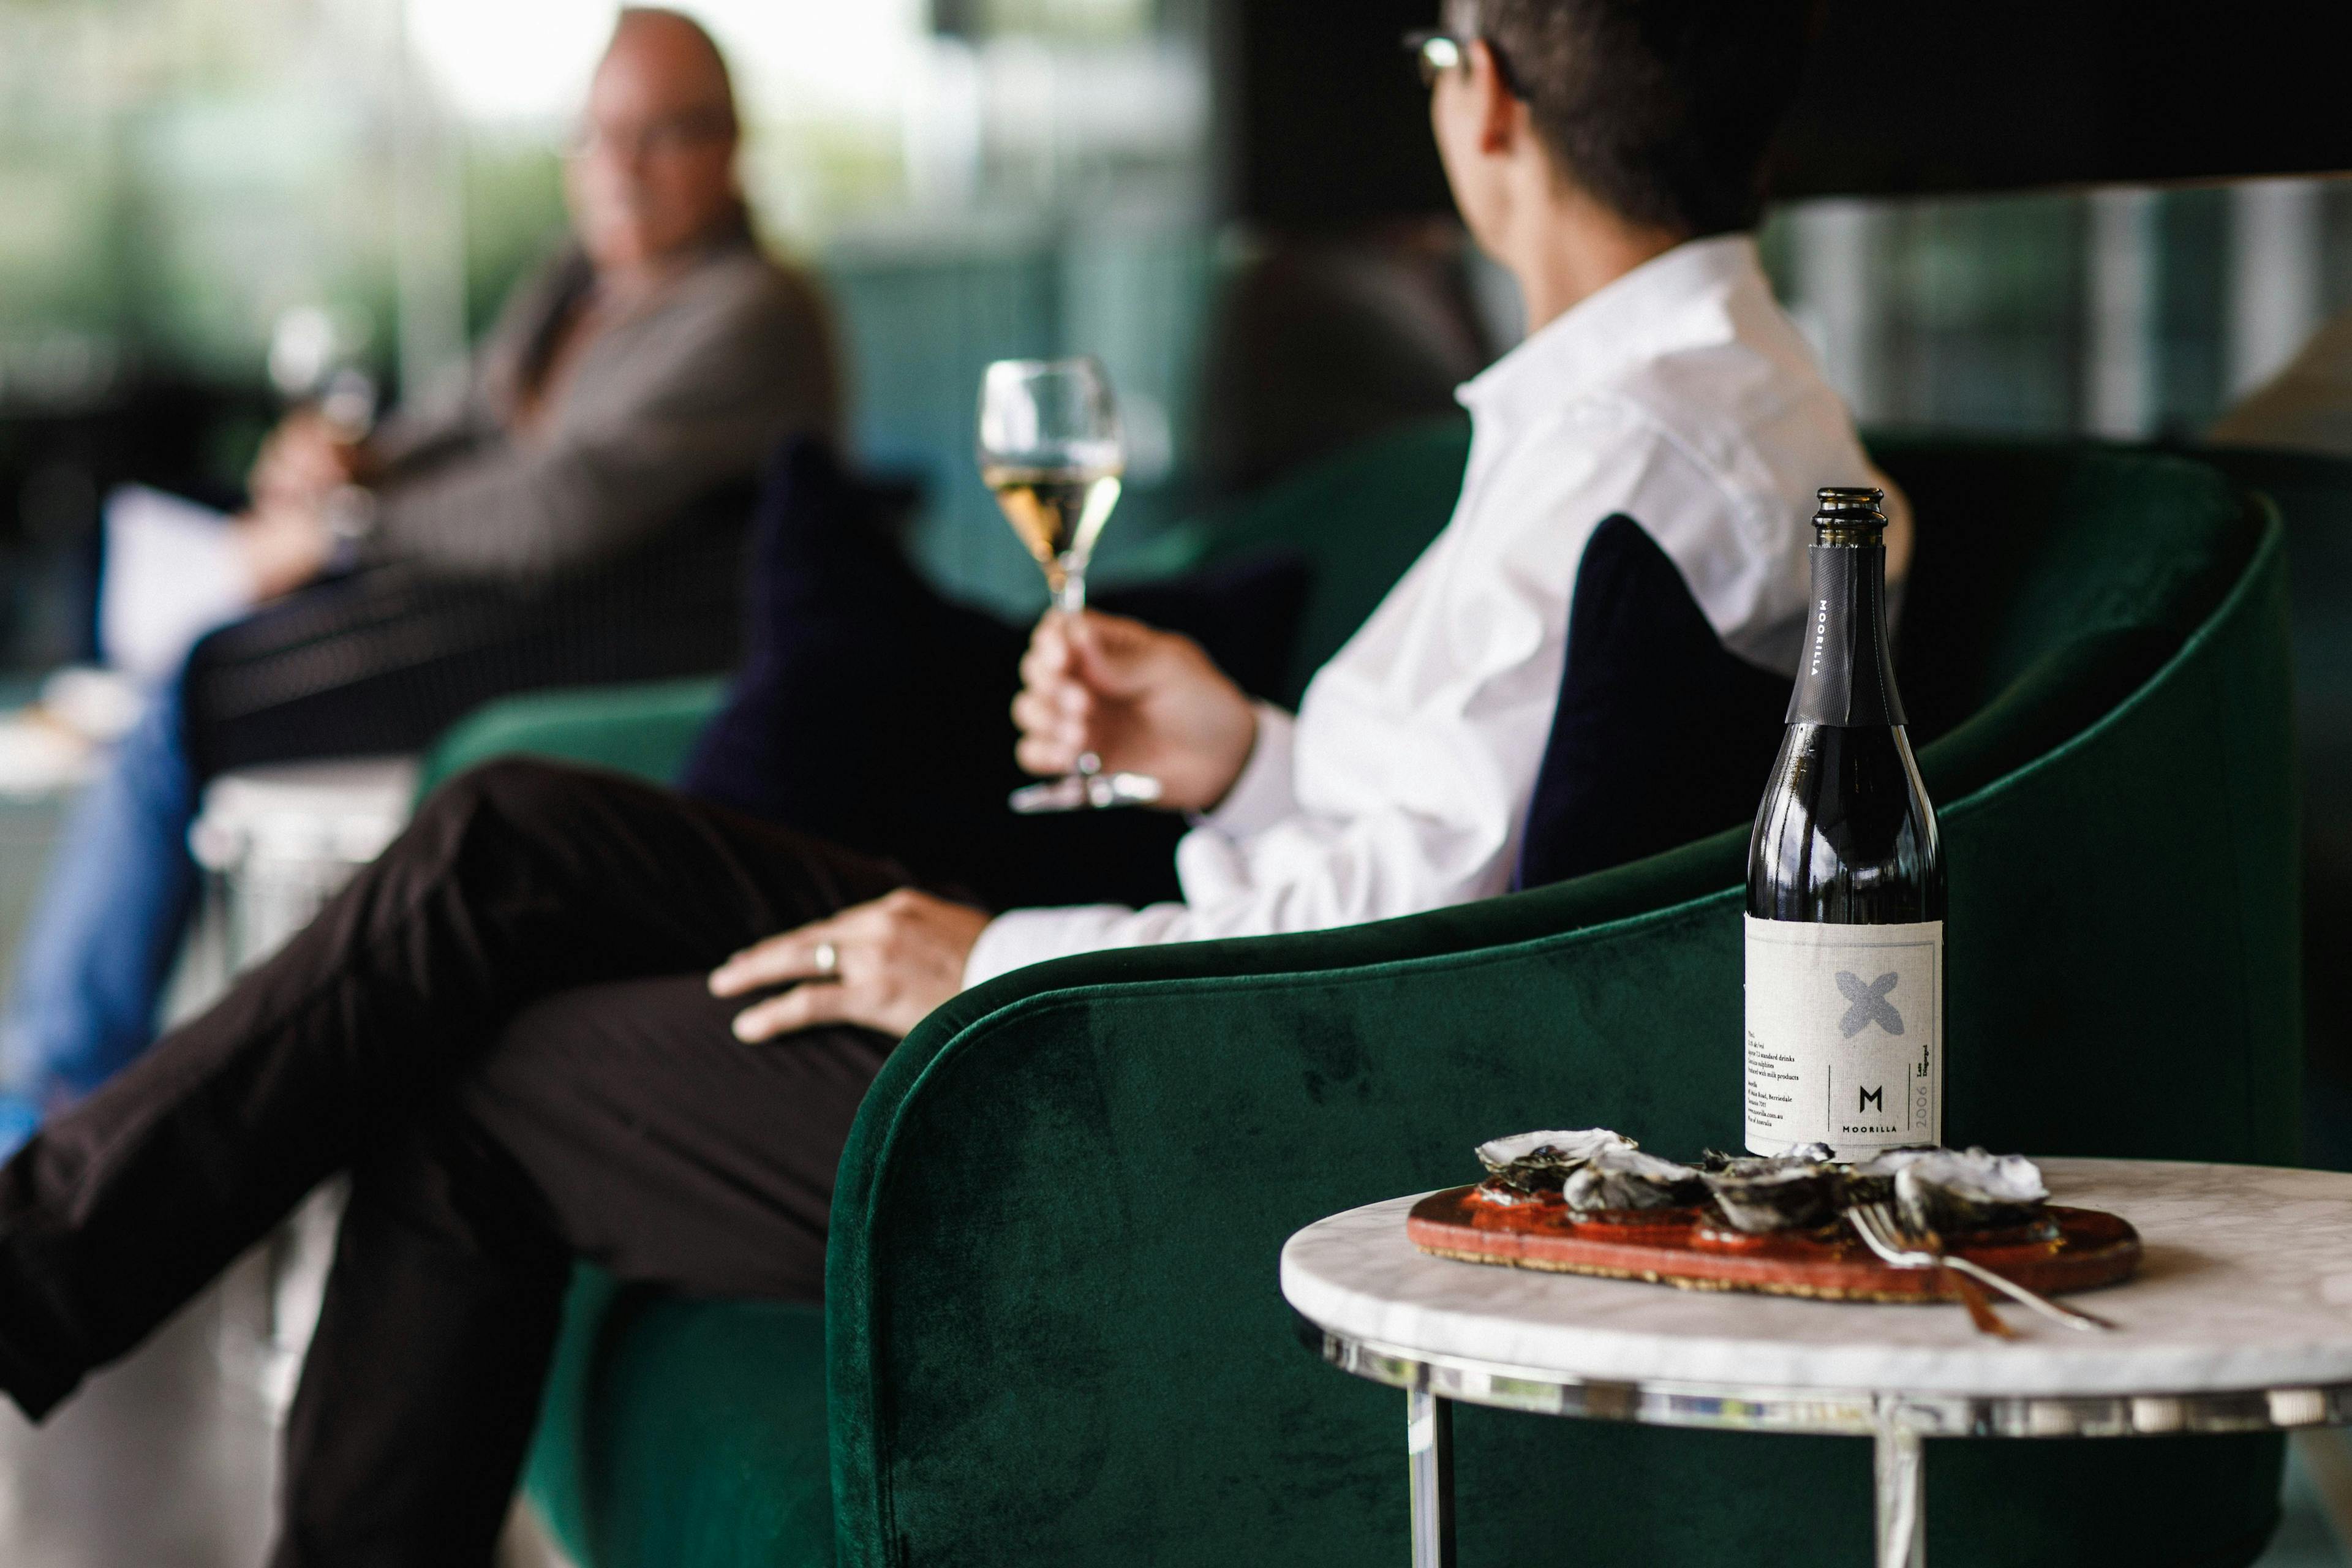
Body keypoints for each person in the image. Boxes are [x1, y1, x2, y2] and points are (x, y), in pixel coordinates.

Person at [0, 2, 1904, 1561]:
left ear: (1480, 99)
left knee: (480, 1087)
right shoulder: (1699, 405)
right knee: (511, 844)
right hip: (1204, 972)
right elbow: (1455, 846)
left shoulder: (1635, 457)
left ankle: (40, 1266)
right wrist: (1237, 750)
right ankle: (38, 1258)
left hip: (1167, 1067)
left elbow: (1393, 963)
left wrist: (992, 953)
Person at [0, 7, 839, 1147]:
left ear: (731, 145)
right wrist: (352, 463)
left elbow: (560, 510)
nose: (620, 171)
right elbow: (460, 429)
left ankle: (44, 1106)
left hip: (613, 650)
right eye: (595, 138)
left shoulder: (756, 312)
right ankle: (91, 1097)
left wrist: (350, 522)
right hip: (494, 620)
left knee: (192, 690)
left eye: (662, 136)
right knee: (191, 678)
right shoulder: (578, 290)